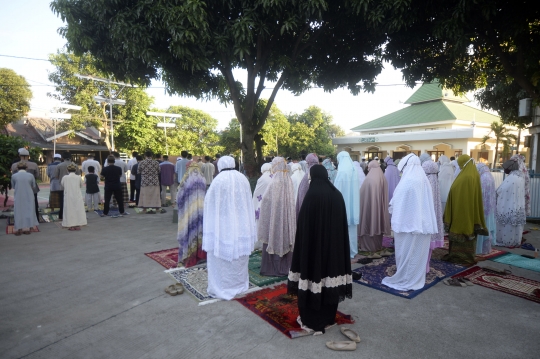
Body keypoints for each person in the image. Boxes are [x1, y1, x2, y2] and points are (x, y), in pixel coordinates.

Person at [288, 164, 352, 334]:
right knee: (330, 279)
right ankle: (328, 318)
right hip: (333, 252)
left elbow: (303, 228)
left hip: (313, 251)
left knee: (314, 280)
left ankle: (312, 319)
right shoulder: (337, 195)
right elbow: (342, 229)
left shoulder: (311, 196)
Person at [382, 154, 438, 291]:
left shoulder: (408, 181)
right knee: (417, 256)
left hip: (407, 226)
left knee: (406, 255)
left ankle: (406, 279)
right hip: (422, 226)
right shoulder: (423, 179)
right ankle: (416, 278)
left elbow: (397, 204)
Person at [203, 156, 256, 300]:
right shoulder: (243, 178)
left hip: (223, 225)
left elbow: (210, 204)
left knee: (222, 257)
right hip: (241, 223)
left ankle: (223, 286)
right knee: (239, 255)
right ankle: (239, 284)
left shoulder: (218, 180)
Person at [443, 155, 488, 265]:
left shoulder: (466, 177)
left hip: (462, 210)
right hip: (468, 210)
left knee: (461, 231)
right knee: (469, 232)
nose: (459, 165)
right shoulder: (473, 174)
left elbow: (457, 191)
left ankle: (459, 257)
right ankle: (467, 256)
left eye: (460, 163)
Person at [258, 157, 296, 276]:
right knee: (285, 236)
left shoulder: (274, 181)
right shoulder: (288, 179)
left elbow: (266, 201)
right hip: (287, 216)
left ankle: (274, 266)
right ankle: (288, 265)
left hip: (275, 218)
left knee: (274, 236)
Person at [176, 161, 207, 267]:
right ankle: (202, 255)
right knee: (201, 231)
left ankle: (190, 255)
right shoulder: (202, 178)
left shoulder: (186, 179)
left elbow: (179, 196)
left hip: (189, 211)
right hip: (202, 211)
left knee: (190, 231)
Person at [359, 160, 391, 258]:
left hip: (369, 208)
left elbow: (362, 195)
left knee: (369, 221)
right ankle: (377, 246)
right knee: (377, 221)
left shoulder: (369, 179)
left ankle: (367, 246)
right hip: (379, 210)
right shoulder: (382, 177)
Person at [495, 155, 529, 248]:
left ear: (510, 167)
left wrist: (495, 192)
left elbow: (502, 189)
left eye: (506, 168)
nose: (505, 171)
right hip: (516, 205)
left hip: (508, 205)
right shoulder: (520, 176)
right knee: (514, 225)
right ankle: (514, 241)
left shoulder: (513, 177)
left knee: (507, 224)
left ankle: (505, 241)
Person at [333, 151, 360, 259]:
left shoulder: (342, 171)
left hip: (343, 203)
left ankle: (344, 251)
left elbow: (337, 189)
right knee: (352, 229)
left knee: (343, 228)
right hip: (353, 205)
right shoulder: (354, 170)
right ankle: (352, 251)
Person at [422, 156, 445, 270]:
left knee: (423, 245)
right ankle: (426, 266)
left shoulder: (427, 181)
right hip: (433, 218)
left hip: (426, 218)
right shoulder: (435, 179)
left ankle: (422, 267)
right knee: (428, 247)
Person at [11, 148, 40, 221]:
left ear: (19, 155)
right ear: (28, 156)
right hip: (32, 187)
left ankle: (20, 219)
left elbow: (13, 176)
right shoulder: (34, 165)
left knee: (20, 204)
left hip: (19, 187)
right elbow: (37, 175)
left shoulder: (14, 165)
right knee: (34, 203)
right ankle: (35, 218)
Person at [11, 162, 39, 235]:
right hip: (29, 195)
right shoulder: (30, 175)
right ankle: (27, 228)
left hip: (18, 195)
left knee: (18, 211)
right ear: (26, 168)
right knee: (28, 210)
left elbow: (13, 186)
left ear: (17, 168)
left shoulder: (14, 176)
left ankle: (18, 228)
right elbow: (33, 185)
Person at [53, 152, 81, 220]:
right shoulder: (75, 165)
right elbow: (78, 175)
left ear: (62, 158)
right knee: (74, 201)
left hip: (63, 186)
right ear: (71, 157)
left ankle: (61, 216)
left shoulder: (59, 165)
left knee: (63, 202)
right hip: (73, 186)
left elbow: (56, 176)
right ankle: (74, 215)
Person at [476, 163, 497, 253]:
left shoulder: (484, 178)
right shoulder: (489, 175)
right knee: (488, 227)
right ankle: (486, 248)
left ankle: (481, 249)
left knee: (483, 228)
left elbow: (482, 194)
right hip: (490, 207)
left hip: (484, 208)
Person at [61, 163, 87, 230]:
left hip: (68, 195)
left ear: (67, 170)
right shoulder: (78, 177)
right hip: (77, 195)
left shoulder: (65, 177)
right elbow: (81, 185)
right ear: (75, 170)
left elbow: (62, 185)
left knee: (69, 209)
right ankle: (79, 222)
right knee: (78, 209)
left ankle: (69, 223)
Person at [296, 153, 319, 219]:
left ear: (308, 162)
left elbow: (302, 192)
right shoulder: (321, 171)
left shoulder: (308, 173)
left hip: (308, 208)